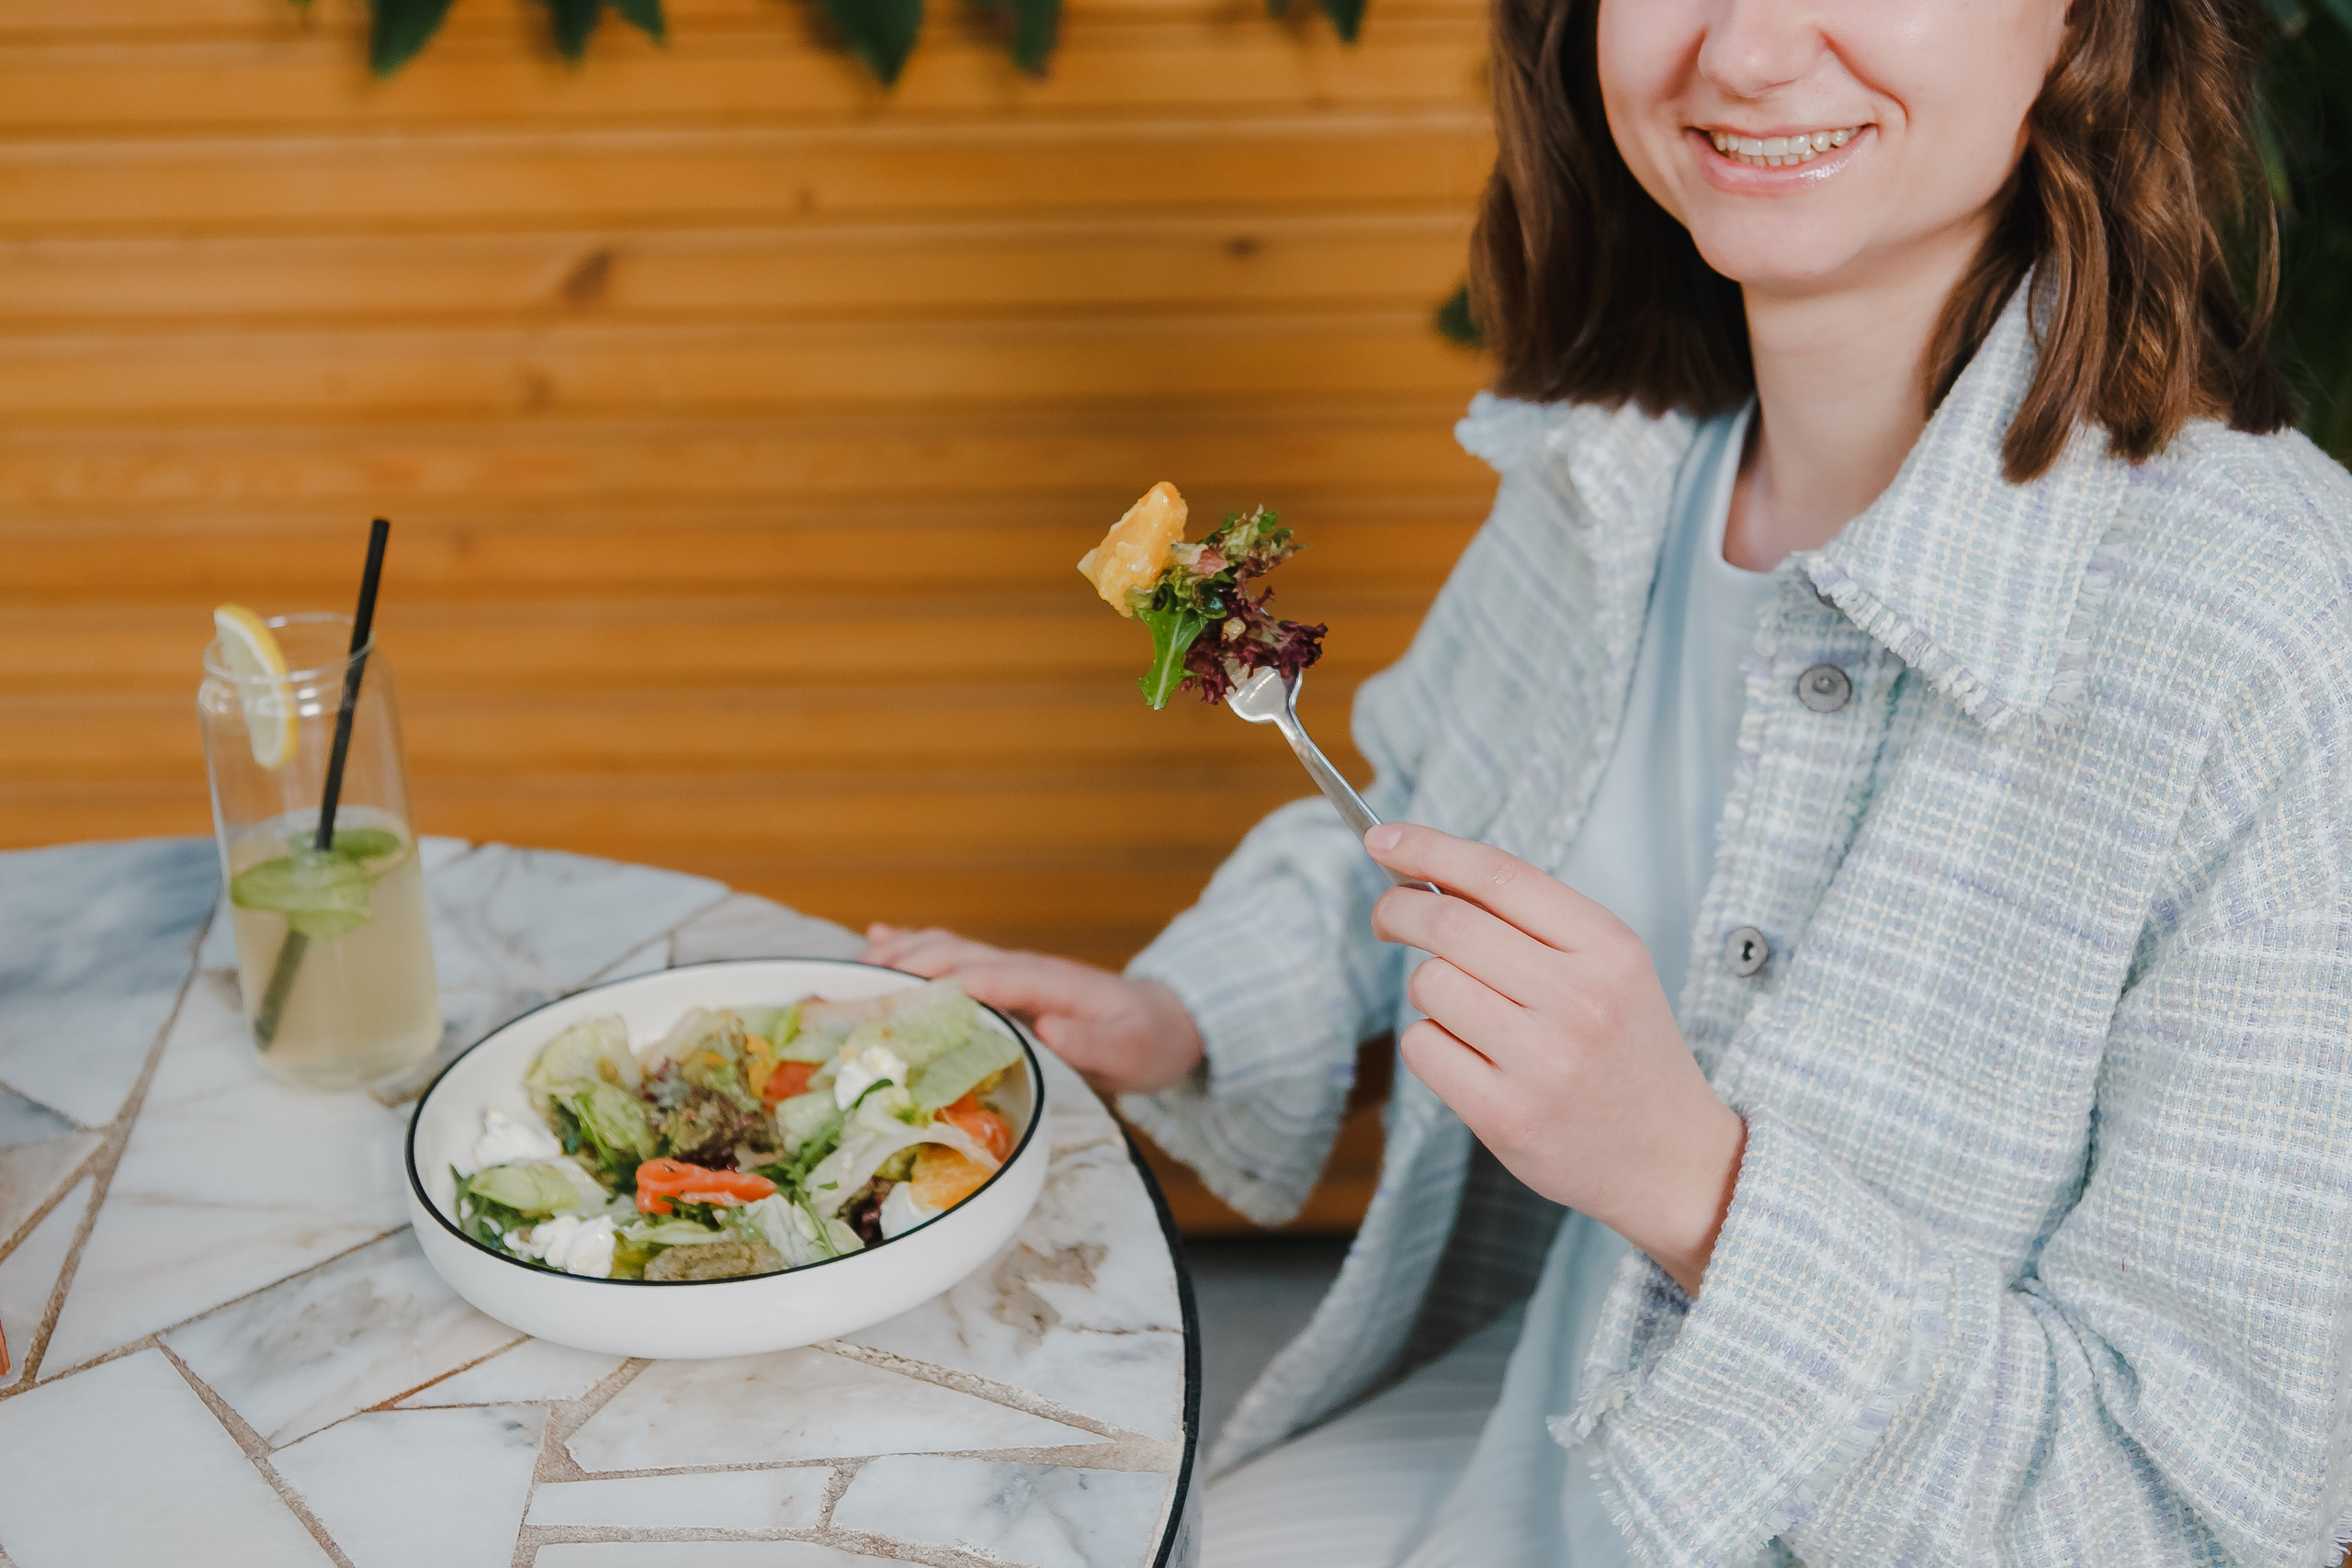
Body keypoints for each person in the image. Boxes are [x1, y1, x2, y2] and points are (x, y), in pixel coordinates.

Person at [866, 0, 2352, 1560]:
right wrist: (1179, 1015)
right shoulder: (1619, 471)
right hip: (1525, 1428)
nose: (1749, 54)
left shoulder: (2270, 635)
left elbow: (2196, 1512)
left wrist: (1692, 1184)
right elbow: (1425, 821)